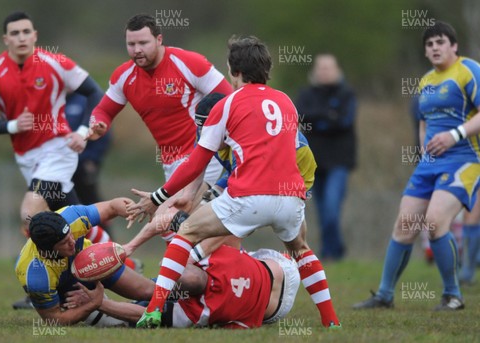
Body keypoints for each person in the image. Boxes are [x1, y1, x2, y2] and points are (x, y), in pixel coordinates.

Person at [127, 36, 341, 328]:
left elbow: (195, 163)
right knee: (301, 249)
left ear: (233, 71)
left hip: (249, 198)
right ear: (267, 69)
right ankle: (330, 320)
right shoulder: (286, 102)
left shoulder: (227, 105)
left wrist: (158, 197)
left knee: (185, 234)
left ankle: (152, 310)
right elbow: (286, 152)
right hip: (290, 197)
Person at [353, 21, 480, 311]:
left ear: (454, 46)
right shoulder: (425, 81)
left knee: (435, 223)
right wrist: (424, 147)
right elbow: (424, 121)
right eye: (429, 44)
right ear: (425, 51)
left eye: (440, 42)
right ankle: (384, 295)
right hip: (430, 164)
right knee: (404, 226)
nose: (435, 47)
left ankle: (453, 295)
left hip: (464, 160)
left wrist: (455, 135)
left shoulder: (469, 70)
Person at [88, 14, 233, 213]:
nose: (137, 50)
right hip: (171, 161)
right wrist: (98, 124)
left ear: (159, 40)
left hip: (202, 154)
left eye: (143, 43)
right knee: (181, 231)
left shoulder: (189, 63)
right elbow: (103, 110)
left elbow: (231, 99)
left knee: (172, 220)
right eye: (131, 44)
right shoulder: (124, 76)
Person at [0, 11, 102, 236]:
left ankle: (47, 267)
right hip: (26, 157)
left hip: (58, 150)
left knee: (30, 214)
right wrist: (13, 126)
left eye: (26, 32)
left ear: (35, 35)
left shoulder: (56, 63)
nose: (21, 38)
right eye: (15, 33)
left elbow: (95, 93)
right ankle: (118, 260)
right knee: (67, 215)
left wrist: (82, 131)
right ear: (6, 39)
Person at [66, 244, 300, 329]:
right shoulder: (220, 255)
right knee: (157, 294)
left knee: (155, 297)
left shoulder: (202, 310)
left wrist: (101, 304)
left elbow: (146, 315)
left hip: (277, 302)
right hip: (282, 269)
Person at [14, 198, 156, 326]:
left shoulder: (71, 217)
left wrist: (130, 210)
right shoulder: (35, 276)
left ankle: (170, 294)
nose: (73, 242)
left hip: (91, 260)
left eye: (70, 234)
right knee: (120, 324)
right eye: (64, 242)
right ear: (46, 250)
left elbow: (113, 206)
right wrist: (93, 304)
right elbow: (55, 319)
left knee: (149, 291)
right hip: (69, 288)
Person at [295, 53, 357, 261]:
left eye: (328, 67)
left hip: (339, 161)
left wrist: (320, 119)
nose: (324, 71)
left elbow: (343, 122)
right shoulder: (305, 94)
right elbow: (301, 117)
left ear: (337, 70)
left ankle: (335, 251)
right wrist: (328, 117)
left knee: (331, 208)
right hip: (313, 162)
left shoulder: (347, 94)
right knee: (321, 212)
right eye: (320, 68)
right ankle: (329, 253)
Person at [65, 93, 115, 242]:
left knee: (93, 207)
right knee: (60, 207)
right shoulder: (53, 101)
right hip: (60, 168)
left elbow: (103, 132)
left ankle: (111, 249)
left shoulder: (87, 100)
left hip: (82, 168)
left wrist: (92, 160)